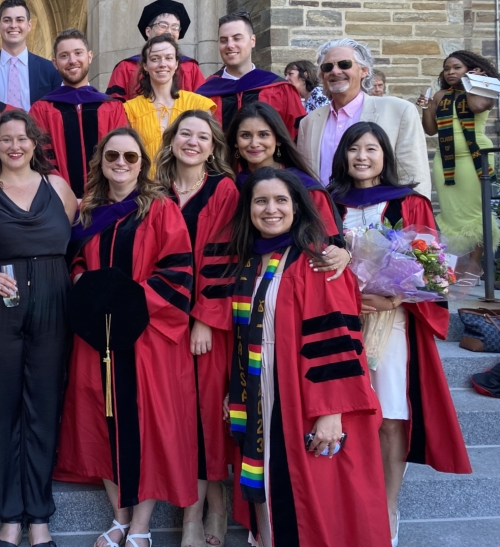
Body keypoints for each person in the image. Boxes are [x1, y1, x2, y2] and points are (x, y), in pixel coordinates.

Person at [226, 167, 390, 547]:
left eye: (281, 200)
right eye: (261, 201)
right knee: (267, 480)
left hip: (304, 395)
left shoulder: (316, 263)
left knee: (311, 494)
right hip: (260, 391)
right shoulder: (251, 261)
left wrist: (331, 412)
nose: (271, 209)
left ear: (298, 207)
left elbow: (335, 341)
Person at [327, 122, 472, 547]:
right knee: (347, 414)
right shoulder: (328, 204)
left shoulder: (410, 203)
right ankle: (351, 502)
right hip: (339, 323)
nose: (362, 157)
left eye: (371, 149)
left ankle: (388, 506)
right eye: (353, 149)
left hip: (392, 325)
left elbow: (435, 272)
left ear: (385, 156)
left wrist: (393, 300)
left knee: (390, 414)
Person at [56, 127, 197, 547]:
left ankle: (141, 526)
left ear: (142, 164)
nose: (121, 164)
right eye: (113, 156)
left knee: (145, 424)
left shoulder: (160, 209)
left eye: (130, 157)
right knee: (103, 418)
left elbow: (177, 271)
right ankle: (119, 517)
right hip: (97, 335)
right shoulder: (87, 211)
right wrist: (85, 283)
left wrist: (128, 301)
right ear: (100, 161)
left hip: (144, 334)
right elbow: (75, 262)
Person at [0, 110, 77, 547]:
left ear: (34, 142)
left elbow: (73, 241)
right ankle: (7, 518)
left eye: (22, 138)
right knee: (4, 411)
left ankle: (38, 517)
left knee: (43, 408)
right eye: (6, 139)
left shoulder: (58, 187)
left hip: (53, 309)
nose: (15, 146)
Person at [153, 111, 238, 547]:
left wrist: (204, 316)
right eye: (185, 133)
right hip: (162, 323)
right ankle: (192, 504)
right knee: (181, 415)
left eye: (201, 136)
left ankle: (210, 508)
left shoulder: (223, 189)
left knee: (207, 414)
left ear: (212, 146)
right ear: (171, 140)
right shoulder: (154, 191)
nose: (192, 142)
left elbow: (225, 257)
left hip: (207, 323)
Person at [297, 38, 431, 198]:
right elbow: (305, 180)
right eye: (328, 67)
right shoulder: (309, 122)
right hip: (324, 217)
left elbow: (414, 175)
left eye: (344, 64)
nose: (335, 71)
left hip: (381, 217)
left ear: (364, 71)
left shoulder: (398, 111)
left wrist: (416, 218)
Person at [226, 102, 348, 261]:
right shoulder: (230, 187)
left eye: (263, 135)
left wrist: (345, 254)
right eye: (245, 135)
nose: (254, 143)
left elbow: (329, 245)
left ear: (277, 139)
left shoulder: (307, 188)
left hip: (295, 274)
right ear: (235, 142)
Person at [417, 50, 500, 272]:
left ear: (469, 69)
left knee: (475, 212)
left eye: (457, 67)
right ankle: (456, 265)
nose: (450, 72)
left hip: (474, 158)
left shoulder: (483, 87)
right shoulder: (441, 95)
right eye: (447, 68)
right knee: (450, 212)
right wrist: (426, 108)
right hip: (445, 160)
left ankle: (473, 265)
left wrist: (472, 81)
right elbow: (430, 129)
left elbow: (475, 106)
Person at [30, 29, 128, 198]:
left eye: (78, 53)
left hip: (107, 201)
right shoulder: (42, 109)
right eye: (64, 55)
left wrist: (106, 196)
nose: (72, 60)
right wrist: (64, 196)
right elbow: (40, 156)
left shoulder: (112, 107)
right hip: (57, 202)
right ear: (55, 63)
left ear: (89, 56)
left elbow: (122, 153)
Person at [195, 13, 303, 137]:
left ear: (252, 41)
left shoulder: (280, 89)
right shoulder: (204, 94)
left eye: (237, 38)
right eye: (224, 40)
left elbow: (297, 138)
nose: (230, 45)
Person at [122, 34, 216, 159]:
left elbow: (209, 149)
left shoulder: (199, 104)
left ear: (176, 63)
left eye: (169, 58)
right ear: (145, 65)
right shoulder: (130, 109)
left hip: (189, 178)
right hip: (147, 178)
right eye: (155, 59)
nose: (162, 64)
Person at [106, 0, 206, 100]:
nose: (169, 32)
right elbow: (115, 111)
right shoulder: (125, 68)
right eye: (163, 25)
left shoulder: (191, 68)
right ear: (148, 31)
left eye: (175, 27)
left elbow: (203, 109)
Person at [0, 0, 61, 109]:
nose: (13, 25)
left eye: (19, 20)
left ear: (29, 25)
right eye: (7, 20)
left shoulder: (50, 70)